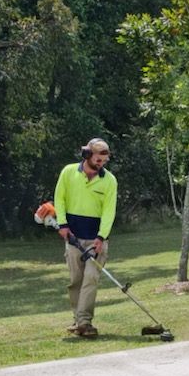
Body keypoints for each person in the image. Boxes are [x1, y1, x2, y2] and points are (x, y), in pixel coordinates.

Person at [53, 137, 117, 337]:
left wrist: (101, 237)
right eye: (98, 160)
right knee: (76, 281)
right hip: (73, 237)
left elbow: (109, 212)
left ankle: (85, 322)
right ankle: (78, 320)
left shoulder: (109, 180)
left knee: (90, 279)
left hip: (96, 241)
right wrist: (62, 225)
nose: (101, 164)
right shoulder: (68, 172)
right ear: (87, 155)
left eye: (104, 162)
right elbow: (59, 199)